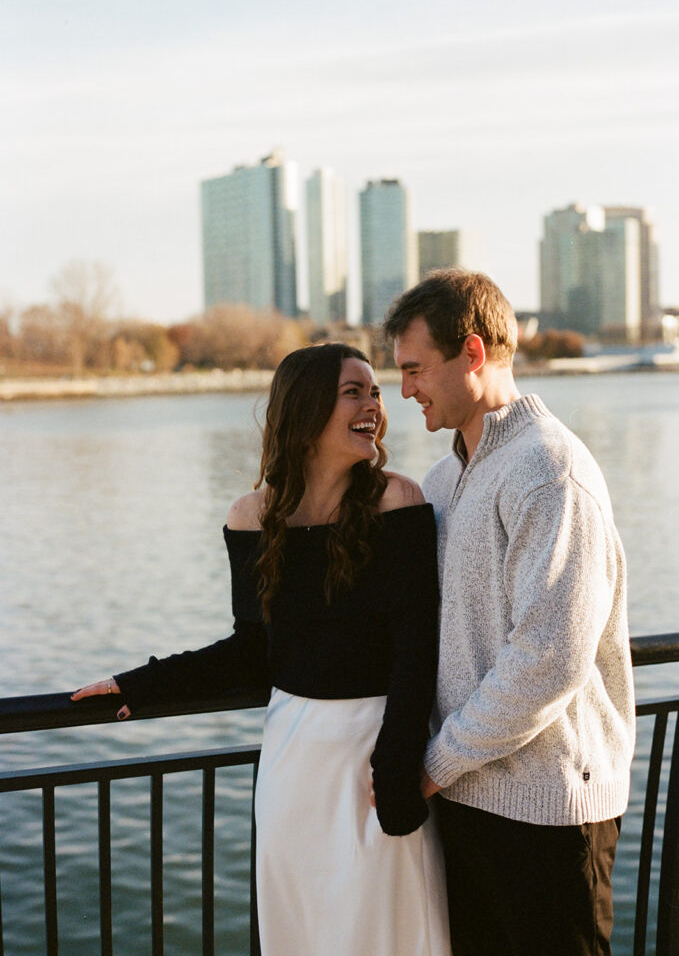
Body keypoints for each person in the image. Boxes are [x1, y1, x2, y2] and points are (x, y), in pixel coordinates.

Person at [72, 342, 451, 956]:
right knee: (300, 928)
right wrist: (140, 685)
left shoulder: (398, 503)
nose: (374, 405)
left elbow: (417, 654)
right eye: (352, 391)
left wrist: (397, 763)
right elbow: (250, 652)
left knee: (389, 928)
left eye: (375, 392)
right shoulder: (252, 517)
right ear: (304, 411)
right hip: (293, 760)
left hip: (378, 757)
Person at [384, 270, 636, 956]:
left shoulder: (547, 470)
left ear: (471, 353)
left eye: (414, 369)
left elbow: (548, 656)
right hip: (468, 803)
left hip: (547, 813)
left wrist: (434, 763)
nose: (403, 389)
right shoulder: (443, 480)